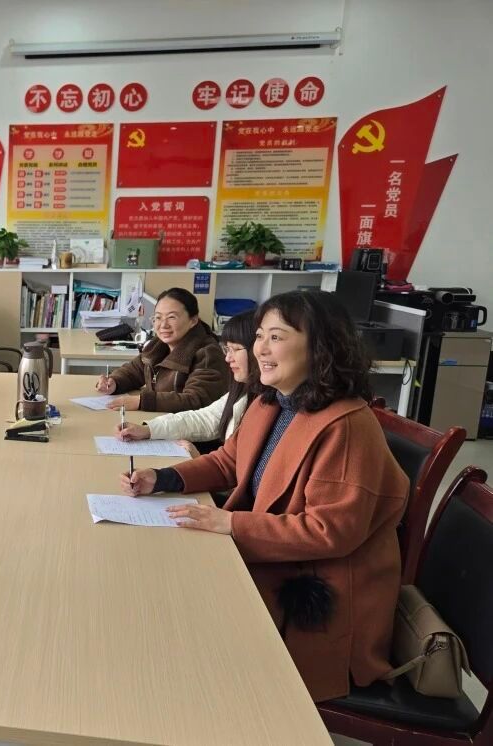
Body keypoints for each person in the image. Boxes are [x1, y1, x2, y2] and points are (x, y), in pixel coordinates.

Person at [121, 290, 409, 702]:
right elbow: (228, 462)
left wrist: (232, 523)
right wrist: (162, 478)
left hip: (317, 599)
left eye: (277, 337)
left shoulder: (346, 425)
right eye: (259, 336)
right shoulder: (272, 401)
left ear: (320, 346)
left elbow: (329, 531)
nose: (261, 349)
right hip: (273, 561)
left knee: (171, 614)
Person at [115, 310, 258, 458]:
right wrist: (148, 430)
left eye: (236, 349)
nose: (228, 358)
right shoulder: (242, 390)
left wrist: (199, 460)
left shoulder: (206, 353)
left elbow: (194, 399)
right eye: (227, 349)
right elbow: (206, 418)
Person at [95, 287, 229, 413]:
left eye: (172, 317)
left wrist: (142, 401)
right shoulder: (158, 345)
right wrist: (114, 382)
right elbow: (135, 371)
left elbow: (196, 399)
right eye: (158, 317)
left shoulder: (207, 353)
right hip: (160, 421)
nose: (163, 325)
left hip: (187, 428)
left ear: (193, 320)